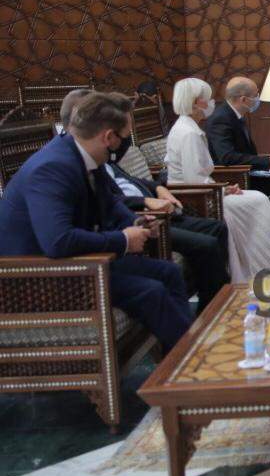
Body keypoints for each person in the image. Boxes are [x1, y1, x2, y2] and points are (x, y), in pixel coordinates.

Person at [0, 91, 193, 352]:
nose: (125, 145)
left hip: (80, 264)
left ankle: (183, 356)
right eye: (124, 138)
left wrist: (137, 222)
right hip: (38, 279)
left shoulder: (85, 154)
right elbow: (58, 241)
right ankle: (188, 360)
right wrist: (123, 240)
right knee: (151, 292)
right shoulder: (52, 168)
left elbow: (109, 202)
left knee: (168, 272)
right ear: (108, 137)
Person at [58, 89, 231, 312]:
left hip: (145, 214)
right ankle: (211, 312)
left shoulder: (98, 155)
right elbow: (65, 236)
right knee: (201, 249)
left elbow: (125, 183)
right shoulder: (68, 163)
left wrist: (158, 188)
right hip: (128, 226)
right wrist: (141, 209)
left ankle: (218, 305)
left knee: (216, 229)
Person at [166, 78, 270, 282]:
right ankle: (262, 266)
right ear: (196, 102)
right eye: (206, 99)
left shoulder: (189, 127)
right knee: (257, 200)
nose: (211, 102)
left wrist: (224, 188)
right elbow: (195, 181)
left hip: (207, 191)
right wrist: (222, 190)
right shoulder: (189, 134)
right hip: (194, 200)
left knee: (257, 198)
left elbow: (200, 176)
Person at [206, 76, 270, 224]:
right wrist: (266, 162)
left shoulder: (235, 114)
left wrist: (267, 162)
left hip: (246, 171)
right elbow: (227, 157)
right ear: (243, 99)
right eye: (256, 95)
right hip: (233, 177)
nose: (258, 98)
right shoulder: (221, 118)